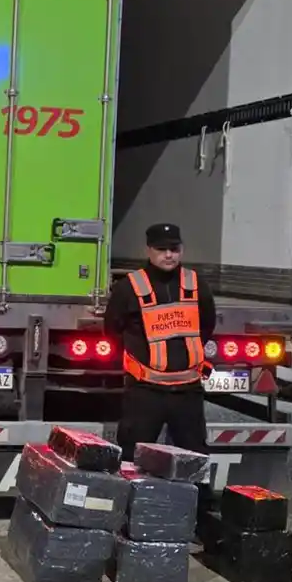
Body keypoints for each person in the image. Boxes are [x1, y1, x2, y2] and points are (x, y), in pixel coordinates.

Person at [104, 222, 218, 523]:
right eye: (162, 249)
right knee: (133, 458)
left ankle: (197, 520)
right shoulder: (130, 286)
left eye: (174, 249)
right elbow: (112, 329)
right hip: (145, 391)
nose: (169, 255)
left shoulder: (196, 284)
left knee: (194, 458)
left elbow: (206, 325)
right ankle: (127, 518)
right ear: (149, 251)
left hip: (188, 391)